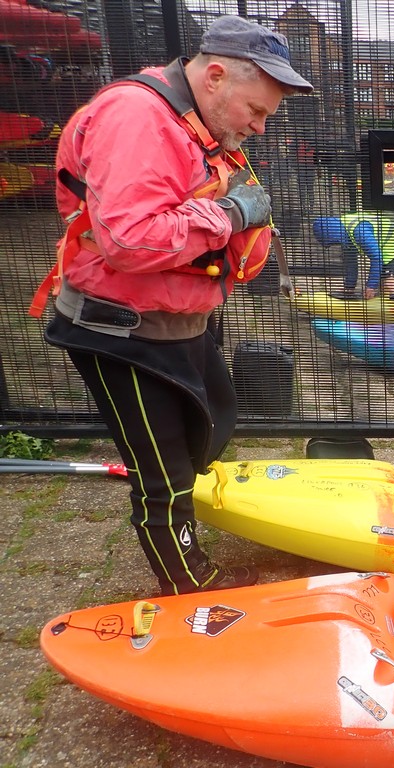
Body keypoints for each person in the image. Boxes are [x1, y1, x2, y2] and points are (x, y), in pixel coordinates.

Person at [31, 16, 313, 596]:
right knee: (164, 469)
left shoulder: (196, 124)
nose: (259, 127)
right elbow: (130, 240)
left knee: (207, 430)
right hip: (122, 329)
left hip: (178, 319)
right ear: (215, 77)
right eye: (255, 111)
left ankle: (182, 542)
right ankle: (188, 584)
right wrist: (231, 214)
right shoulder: (135, 118)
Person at [312, 212, 394, 300]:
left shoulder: (359, 231)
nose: (336, 245)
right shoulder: (345, 232)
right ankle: (390, 310)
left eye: (334, 242)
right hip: (385, 246)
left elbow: (377, 258)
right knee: (383, 286)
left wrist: (371, 286)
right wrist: (349, 288)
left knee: (391, 283)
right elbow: (351, 263)